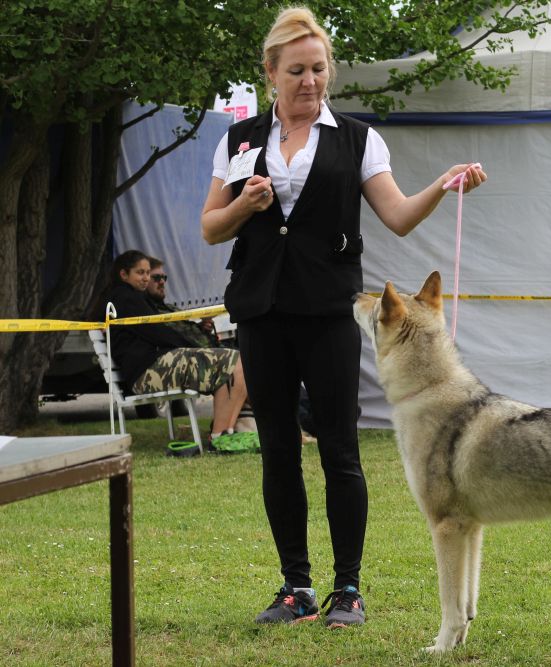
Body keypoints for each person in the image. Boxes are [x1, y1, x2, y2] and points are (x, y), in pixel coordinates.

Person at [200, 6, 486, 629]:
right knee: (277, 448)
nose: (310, 81)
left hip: (329, 309)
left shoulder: (357, 138)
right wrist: (245, 205)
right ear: (271, 72)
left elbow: (399, 216)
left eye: (320, 69)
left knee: (340, 449)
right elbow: (210, 229)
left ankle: (348, 590)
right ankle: (294, 587)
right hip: (262, 309)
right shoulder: (239, 139)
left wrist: (441, 185)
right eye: (297, 70)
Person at [104, 250, 250, 446]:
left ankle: (224, 434)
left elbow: (159, 332)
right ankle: (220, 436)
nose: (146, 278)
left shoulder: (134, 298)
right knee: (237, 361)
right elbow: (157, 332)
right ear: (124, 274)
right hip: (145, 373)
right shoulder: (125, 298)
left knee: (238, 363)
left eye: (148, 273)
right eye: (141, 273)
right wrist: (191, 346)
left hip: (153, 365)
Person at [144, 256, 220, 348]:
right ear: (145, 280)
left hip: (213, 350)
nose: (162, 282)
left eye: (164, 277)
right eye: (156, 278)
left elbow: (185, 332)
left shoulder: (171, 308)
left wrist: (202, 327)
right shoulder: (149, 313)